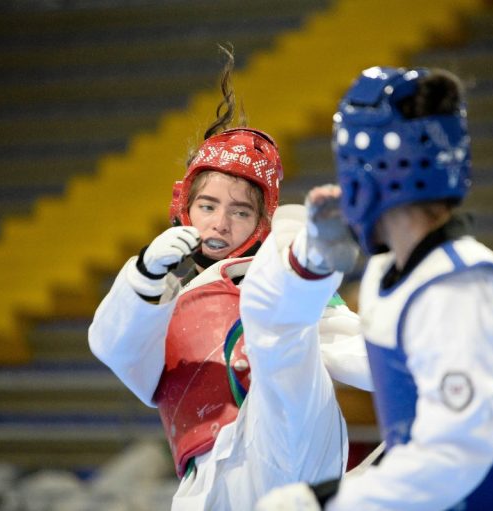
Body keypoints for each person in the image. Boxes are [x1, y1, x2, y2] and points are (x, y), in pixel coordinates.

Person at [255, 66, 493, 510]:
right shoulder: (387, 277)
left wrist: (325, 501)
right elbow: (403, 377)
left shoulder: (460, 291)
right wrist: (307, 290)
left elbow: (453, 457)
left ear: (365, 175)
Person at [88, 46, 371, 510]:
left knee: (281, 320)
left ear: (261, 222)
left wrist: (423, 365)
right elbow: (113, 347)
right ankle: (311, 255)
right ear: (183, 207)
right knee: (279, 309)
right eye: (207, 207)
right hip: (214, 477)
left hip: (295, 439)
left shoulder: (268, 282)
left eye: (240, 211)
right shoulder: (160, 306)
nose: (220, 224)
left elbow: (351, 347)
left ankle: (314, 254)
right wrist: (144, 276)